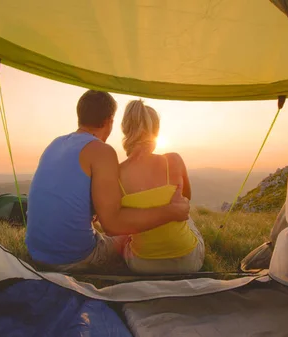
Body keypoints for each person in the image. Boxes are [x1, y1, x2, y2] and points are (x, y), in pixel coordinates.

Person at [25, 90, 190, 273]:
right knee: (127, 236)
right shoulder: (102, 151)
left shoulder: (55, 144)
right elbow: (112, 226)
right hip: (71, 259)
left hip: (35, 252)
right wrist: (172, 211)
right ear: (109, 121)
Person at [119, 100, 205, 274]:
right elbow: (186, 196)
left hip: (142, 265)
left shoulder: (116, 173)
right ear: (155, 132)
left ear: (126, 130)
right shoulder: (173, 160)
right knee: (187, 216)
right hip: (187, 263)